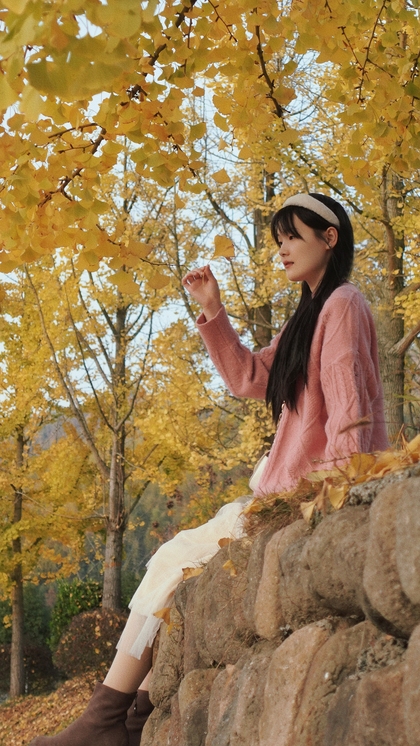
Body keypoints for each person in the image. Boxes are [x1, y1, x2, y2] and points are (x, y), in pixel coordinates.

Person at [30, 193, 388, 746]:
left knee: (176, 560)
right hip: (283, 492)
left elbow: (350, 409)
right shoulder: (309, 314)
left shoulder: (343, 303)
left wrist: (338, 496)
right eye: (277, 241)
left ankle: (105, 722)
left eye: (292, 236)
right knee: (174, 562)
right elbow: (250, 378)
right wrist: (213, 309)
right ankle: (128, 720)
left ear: (330, 237)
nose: (282, 249)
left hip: (307, 493)